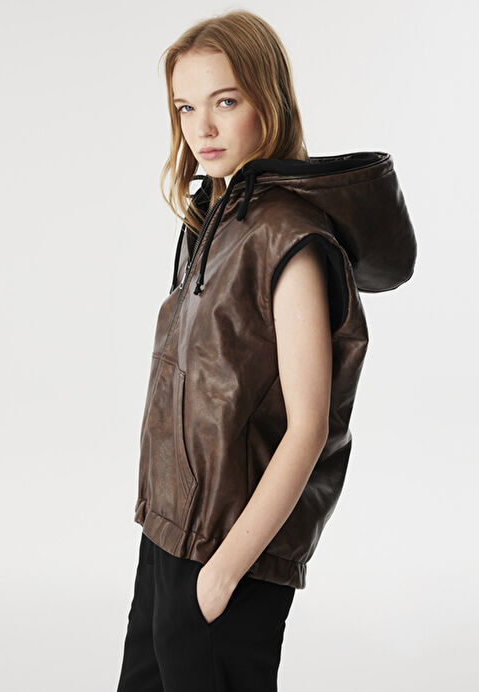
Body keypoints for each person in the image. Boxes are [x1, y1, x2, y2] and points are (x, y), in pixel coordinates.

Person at [116, 9, 416, 692]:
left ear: (267, 101)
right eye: (186, 107)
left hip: (228, 552)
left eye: (225, 101)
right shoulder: (213, 220)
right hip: (167, 538)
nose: (202, 128)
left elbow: (309, 428)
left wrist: (223, 574)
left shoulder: (289, 239)